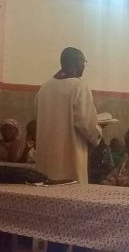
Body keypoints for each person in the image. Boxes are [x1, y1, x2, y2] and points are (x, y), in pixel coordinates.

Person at [36, 47, 101, 183]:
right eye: (83, 62)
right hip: (70, 161)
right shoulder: (78, 86)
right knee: (71, 193)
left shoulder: (44, 88)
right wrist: (98, 133)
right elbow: (85, 123)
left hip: (46, 162)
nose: (84, 66)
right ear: (76, 62)